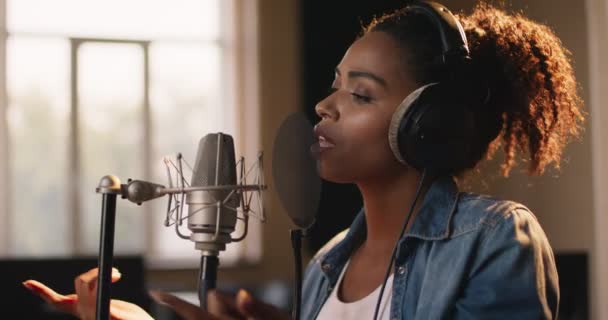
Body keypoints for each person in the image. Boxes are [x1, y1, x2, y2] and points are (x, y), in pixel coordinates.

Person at [24, 1, 584, 319]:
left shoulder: (494, 239)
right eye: (333, 86)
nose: (324, 105)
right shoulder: (328, 263)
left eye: (361, 94)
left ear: (425, 123)